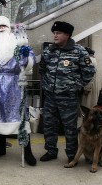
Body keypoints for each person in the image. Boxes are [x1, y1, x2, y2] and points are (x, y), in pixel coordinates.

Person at [0, 16, 37, 166]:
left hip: (14, 85)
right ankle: (0, 147)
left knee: (20, 117)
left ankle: (28, 152)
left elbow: (30, 60)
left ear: (9, 28)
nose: (2, 29)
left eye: (4, 26)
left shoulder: (19, 43)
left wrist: (25, 57)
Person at [39, 21, 95, 163]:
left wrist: (76, 86)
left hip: (68, 97)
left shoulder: (79, 51)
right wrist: (47, 84)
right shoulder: (48, 51)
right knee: (49, 124)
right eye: (54, 33)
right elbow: (42, 69)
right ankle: (51, 151)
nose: (55, 36)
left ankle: (72, 154)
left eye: (58, 33)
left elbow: (89, 72)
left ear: (67, 35)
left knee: (70, 127)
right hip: (50, 96)